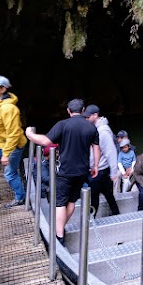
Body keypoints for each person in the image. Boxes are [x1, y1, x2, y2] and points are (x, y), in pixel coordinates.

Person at [26, 99, 100, 246]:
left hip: (65, 171)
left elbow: (46, 141)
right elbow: (96, 149)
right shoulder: (91, 127)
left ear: (68, 110)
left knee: (60, 203)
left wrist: (30, 134)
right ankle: (59, 229)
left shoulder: (63, 125)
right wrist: (96, 166)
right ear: (83, 109)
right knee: (71, 202)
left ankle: (59, 237)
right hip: (82, 171)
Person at [0, 75, 27, 212]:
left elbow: (13, 134)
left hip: (13, 144)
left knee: (10, 173)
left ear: (3, 89)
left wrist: (6, 154)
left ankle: (20, 198)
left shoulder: (9, 109)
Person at [83, 104, 120, 217]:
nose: (86, 119)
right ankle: (116, 213)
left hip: (100, 171)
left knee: (94, 198)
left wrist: (114, 172)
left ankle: (90, 220)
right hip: (100, 171)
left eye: (88, 117)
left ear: (95, 115)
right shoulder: (96, 129)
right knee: (108, 194)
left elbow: (111, 152)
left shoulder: (103, 132)